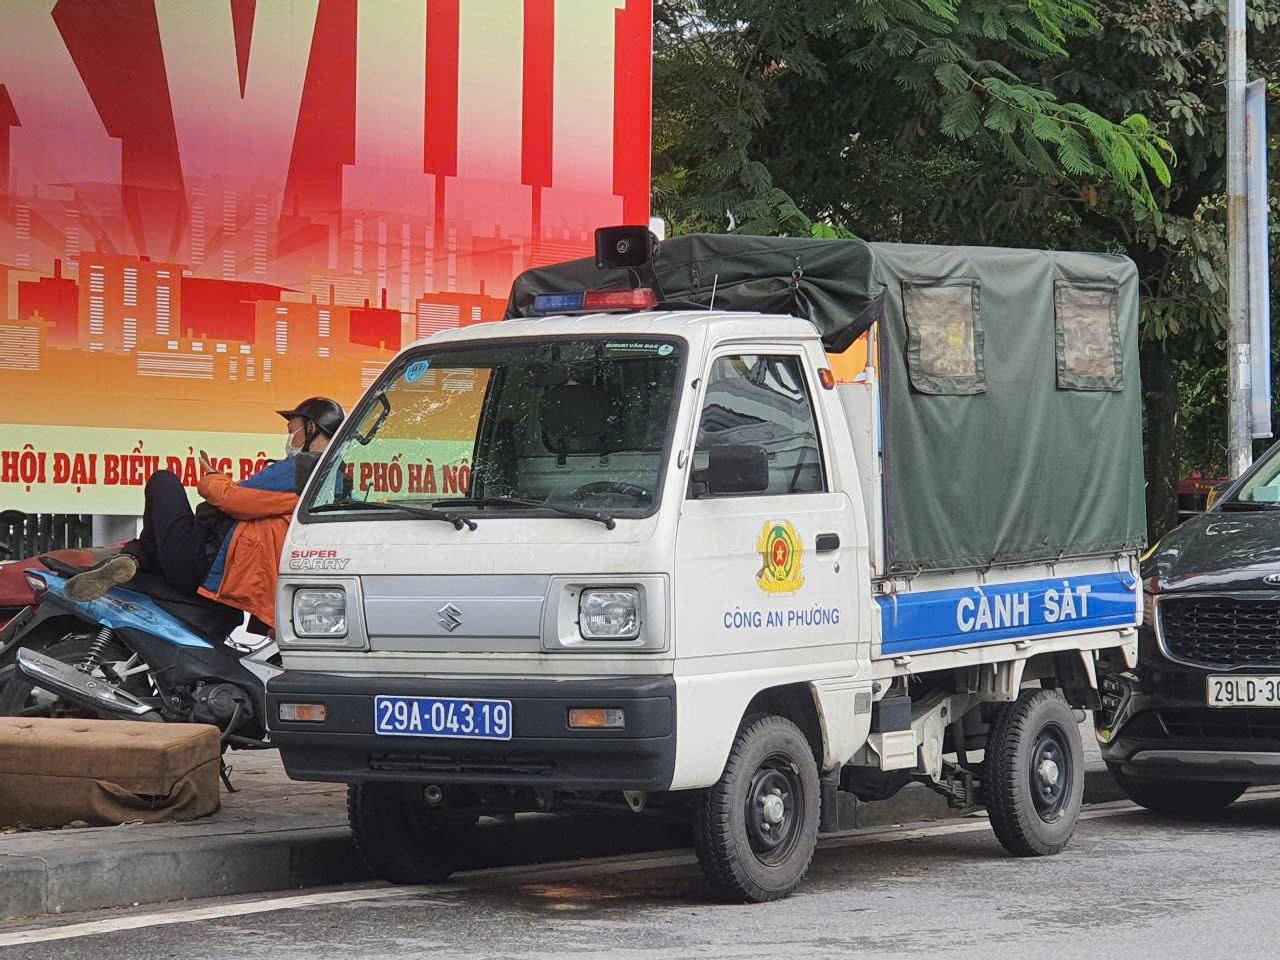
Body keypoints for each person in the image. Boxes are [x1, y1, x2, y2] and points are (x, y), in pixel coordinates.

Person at [64, 398, 345, 631]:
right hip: (226, 567)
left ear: (310, 428)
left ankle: (131, 557)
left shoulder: (305, 467)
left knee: (164, 482)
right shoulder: (334, 480)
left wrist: (211, 478)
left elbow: (232, 499)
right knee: (154, 539)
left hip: (206, 562)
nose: (289, 438)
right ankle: (132, 558)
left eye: (291, 429)